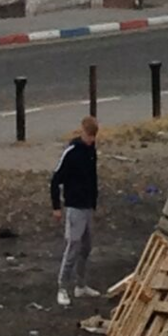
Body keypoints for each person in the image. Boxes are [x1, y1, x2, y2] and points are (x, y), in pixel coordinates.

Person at [50, 115, 100, 307]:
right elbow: (56, 180)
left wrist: (93, 202)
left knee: (86, 247)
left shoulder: (91, 151)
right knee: (73, 246)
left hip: (87, 206)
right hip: (74, 207)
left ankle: (80, 284)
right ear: (83, 132)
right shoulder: (72, 153)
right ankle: (62, 286)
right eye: (89, 136)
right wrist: (56, 206)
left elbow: (92, 178)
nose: (92, 140)